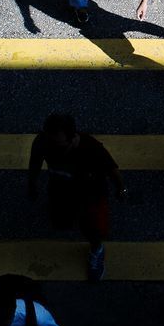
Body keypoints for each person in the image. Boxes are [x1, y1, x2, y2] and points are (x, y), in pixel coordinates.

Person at [28, 113, 128, 282]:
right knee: (61, 221)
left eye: (58, 145)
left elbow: (112, 170)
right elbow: (35, 162)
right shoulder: (43, 143)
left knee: (93, 229)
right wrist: (32, 183)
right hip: (60, 191)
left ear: (73, 138)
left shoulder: (92, 149)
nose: (53, 149)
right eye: (49, 141)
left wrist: (121, 189)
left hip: (91, 196)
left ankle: (97, 250)